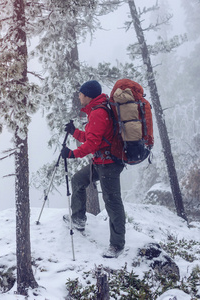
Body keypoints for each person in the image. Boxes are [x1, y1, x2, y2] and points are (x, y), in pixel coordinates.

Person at [61, 80, 125, 258]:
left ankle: (117, 245)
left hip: (109, 164)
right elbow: (94, 138)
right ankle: (79, 220)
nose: (79, 96)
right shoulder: (97, 110)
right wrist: (74, 132)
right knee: (78, 180)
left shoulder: (98, 113)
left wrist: (73, 154)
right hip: (101, 161)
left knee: (112, 202)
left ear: (88, 95)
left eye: (81, 93)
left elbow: (92, 144)